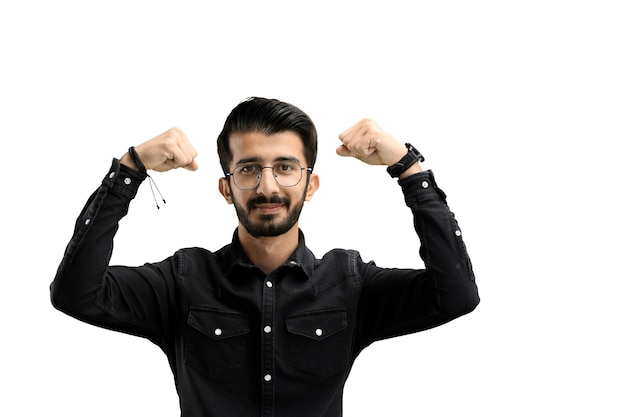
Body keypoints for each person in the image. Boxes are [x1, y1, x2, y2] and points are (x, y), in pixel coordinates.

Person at [51, 97, 479, 417]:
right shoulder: (182, 280)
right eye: (249, 169)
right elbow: (75, 293)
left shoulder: (350, 283)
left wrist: (409, 168)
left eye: (286, 167)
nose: (268, 187)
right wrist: (130, 168)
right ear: (226, 188)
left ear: (310, 185)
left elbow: (456, 295)